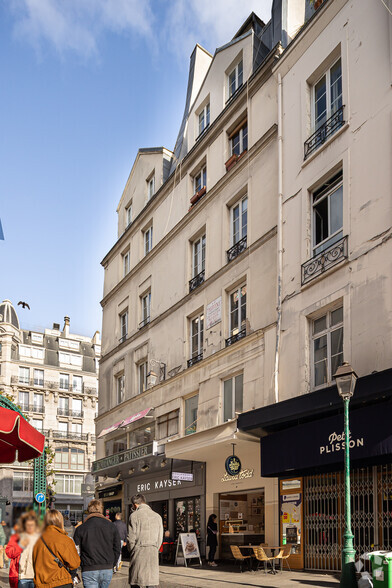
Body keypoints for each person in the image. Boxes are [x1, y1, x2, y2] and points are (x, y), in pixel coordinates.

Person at [74, 499, 120, 588]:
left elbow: (75, 550)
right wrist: (112, 564)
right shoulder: (111, 526)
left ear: (88, 510)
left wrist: (81, 563)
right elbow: (117, 548)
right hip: (107, 568)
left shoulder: (81, 528)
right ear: (101, 510)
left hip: (89, 568)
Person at [33, 509, 80, 588]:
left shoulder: (37, 540)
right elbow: (75, 563)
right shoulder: (65, 540)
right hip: (61, 582)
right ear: (60, 521)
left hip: (41, 583)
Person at [128, 494, 163, 588]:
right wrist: (155, 548)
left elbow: (131, 538)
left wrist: (133, 550)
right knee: (151, 582)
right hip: (153, 553)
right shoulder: (157, 516)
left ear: (135, 504)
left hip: (139, 552)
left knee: (137, 582)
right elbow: (160, 538)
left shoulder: (134, 516)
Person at [6, 511, 40, 588]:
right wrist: (20, 545)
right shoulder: (16, 537)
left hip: (36, 577)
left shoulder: (39, 538)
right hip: (21, 577)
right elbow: (9, 553)